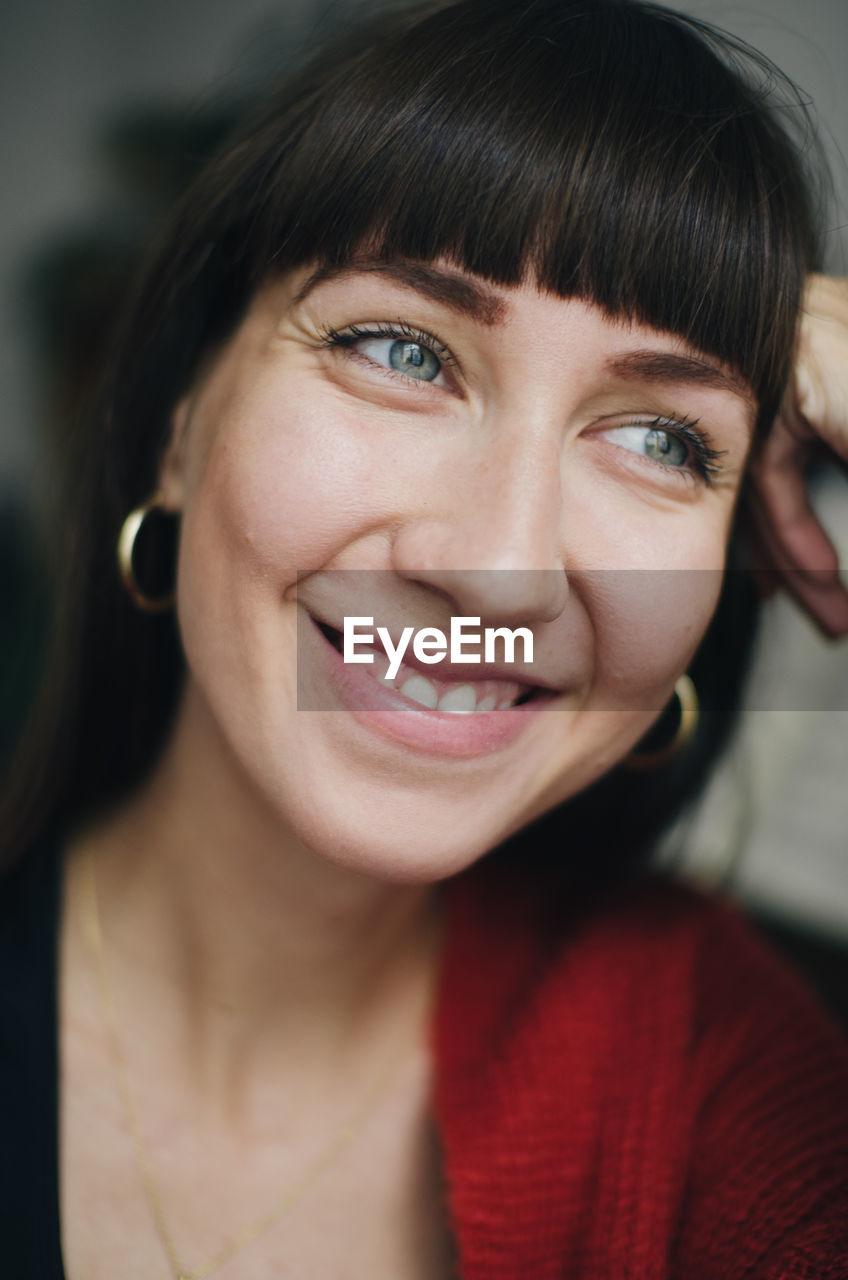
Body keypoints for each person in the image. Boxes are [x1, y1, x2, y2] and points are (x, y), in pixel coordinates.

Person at [1, 0, 847, 1276]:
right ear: (181, 431)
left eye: (662, 439)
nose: (494, 568)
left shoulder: (728, 1079)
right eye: (398, 348)